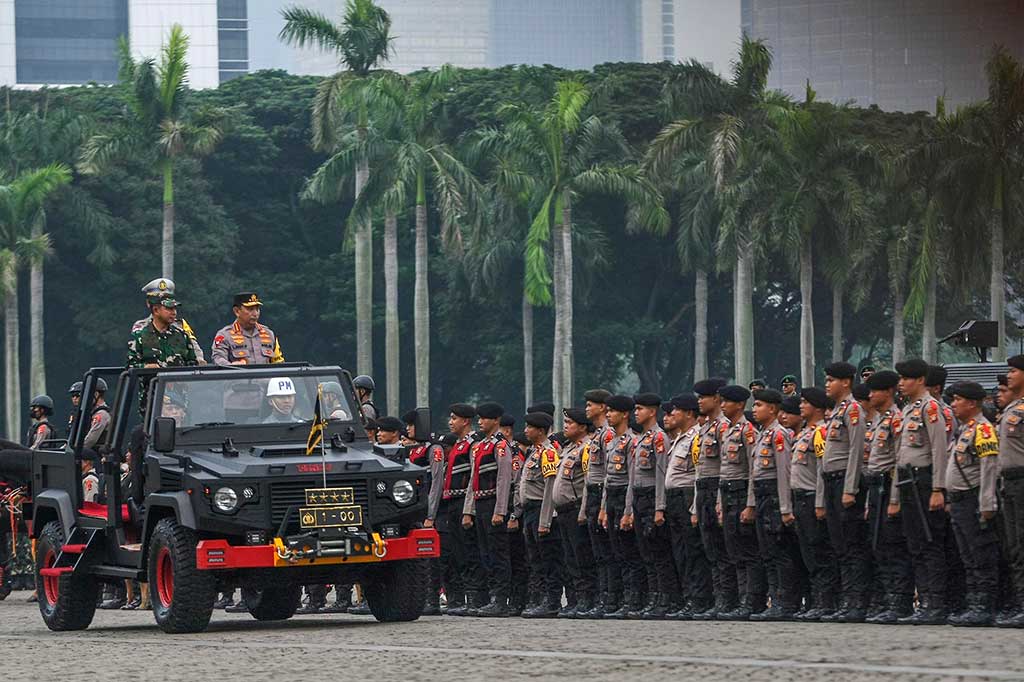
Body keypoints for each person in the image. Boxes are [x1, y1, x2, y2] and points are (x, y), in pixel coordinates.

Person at [892, 357, 950, 625]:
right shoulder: (908, 409)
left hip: (925, 481)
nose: (901, 383)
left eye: (906, 379)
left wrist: (938, 488)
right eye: (900, 379)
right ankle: (925, 601)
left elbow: (940, 449)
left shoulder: (931, 408)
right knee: (915, 544)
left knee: (930, 543)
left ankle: (937, 603)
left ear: (921, 381)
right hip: (907, 481)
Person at [862, 370, 915, 624]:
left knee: (893, 546)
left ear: (888, 392)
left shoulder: (896, 419)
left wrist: (895, 499)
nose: (870, 394)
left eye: (874, 390)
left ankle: (900, 602)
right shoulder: (880, 421)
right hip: (875, 488)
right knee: (878, 545)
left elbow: (898, 462)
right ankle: (888, 599)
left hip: (888, 486)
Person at [945, 381, 1000, 626]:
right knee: (967, 555)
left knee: (980, 555)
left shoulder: (984, 430)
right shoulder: (964, 429)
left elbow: (989, 469)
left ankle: (985, 606)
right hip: (958, 501)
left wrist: (987, 503)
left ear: (972, 403)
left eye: (958, 399)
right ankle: (974, 603)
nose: (954, 404)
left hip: (974, 500)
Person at [819, 361, 871, 623]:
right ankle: (847, 599)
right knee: (838, 544)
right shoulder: (838, 411)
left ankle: (857, 602)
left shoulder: (853, 411)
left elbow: (856, 452)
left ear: (846, 382)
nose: (827, 384)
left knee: (852, 545)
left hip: (844, 483)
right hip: (831, 481)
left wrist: (850, 489)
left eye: (831, 380)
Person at [748, 388, 801, 621]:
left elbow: (784, 473)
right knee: (767, 552)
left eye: (758, 405)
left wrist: (785, 507)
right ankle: (776, 600)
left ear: (772, 409)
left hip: (774, 497)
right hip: (761, 495)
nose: (754, 409)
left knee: (780, 552)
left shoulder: (779, 435)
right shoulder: (762, 434)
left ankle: (787, 602)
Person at [717, 384, 766, 620]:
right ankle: (739, 598)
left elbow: (752, 472)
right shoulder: (727, 431)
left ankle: (752, 600)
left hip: (740, 495)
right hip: (726, 494)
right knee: (733, 550)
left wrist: (750, 504)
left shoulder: (748, 432)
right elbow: (723, 470)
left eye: (726, 401)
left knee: (748, 552)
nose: (722, 405)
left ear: (739, 404)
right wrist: (719, 502)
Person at [789, 387, 839, 622]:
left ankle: (825, 601)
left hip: (811, 499)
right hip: (799, 498)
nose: (801, 406)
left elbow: (822, 470)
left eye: (805, 403)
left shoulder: (820, 433)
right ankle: (815, 600)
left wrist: (820, 502)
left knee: (819, 552)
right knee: (807, 553)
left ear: (818, 408)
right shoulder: (803, 434)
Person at [461, 402, 515, 617]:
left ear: (495, 420)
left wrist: (500, 510)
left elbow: (504, 480)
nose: (480, 422)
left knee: (498, 553)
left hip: (494, 503)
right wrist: (468, 510)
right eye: (479, 418)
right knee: (485, 553)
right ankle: (491, 596)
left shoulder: (500, 446)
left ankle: (501, 599)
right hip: (480, 504)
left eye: (484, 418)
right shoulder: (480, 446)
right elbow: (473, 481)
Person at [662, 393, 712, 619]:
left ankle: (699, 598)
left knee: (693, 551)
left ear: (689, 413)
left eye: (676, 410)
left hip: (687, 497)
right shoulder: (679, 439)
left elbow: (699, 472)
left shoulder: (697, 438)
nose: (671, 414)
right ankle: (687, 596)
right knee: (679, 551)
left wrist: (693, 508)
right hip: (674, 498)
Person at [543, 407, 596, 618]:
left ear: (582, 426)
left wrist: (583, 511)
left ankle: (587, 599)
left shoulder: (586, 448)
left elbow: (587, 482)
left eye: (569, 424)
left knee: (582, 556)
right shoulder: (567, 449)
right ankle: (575, 599)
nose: (565, 427)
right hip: (563, 510)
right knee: (570, 558)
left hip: (576, 508)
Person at [691, 378, 736, 621]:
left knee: (721, 547)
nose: (699, 401)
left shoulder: (722, 427)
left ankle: (727, 599)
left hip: (718, 489)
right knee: (709, 548)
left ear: (716, 399)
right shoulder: (706, 428)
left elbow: (726, 467)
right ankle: (719, 598)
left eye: (703, 397)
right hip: (703, 489)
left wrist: (719, 500)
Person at [432, 403, 484, 616]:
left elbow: (474, 477)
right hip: (452, 504)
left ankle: (476, 598)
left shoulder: (473, 443)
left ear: (465, 421)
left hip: (465, 501)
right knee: (457, 554)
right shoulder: (460, 444)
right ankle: (461, 598)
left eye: (454, 418)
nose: (450, 422)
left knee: (470, 553)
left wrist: (468, 510)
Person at [629, 392, 677, 619]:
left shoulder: (659, 438)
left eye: (640, 409)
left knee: (659, 552)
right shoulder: (641, 439)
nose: (636, 413)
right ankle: (653, 596)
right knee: (645, 552)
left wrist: (660, 507)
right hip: (638, 497)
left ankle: (666, 598)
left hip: (651, 498)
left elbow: (661, 474)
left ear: (652, 411)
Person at [599, 395, 643, 619]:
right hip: (612, 498)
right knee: (616, 552)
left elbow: (632, 479)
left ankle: (633, 599)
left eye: (612, 411)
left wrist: (628, 511)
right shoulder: (611, 442)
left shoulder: (631, 441)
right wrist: (604, 508)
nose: (608, 415)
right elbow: (608, 478)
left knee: (629, 552)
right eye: (607, 411)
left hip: (625, 497)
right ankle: (619, 598)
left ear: (625, 414)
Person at [515, 411, 562, 618]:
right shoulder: (535, 453)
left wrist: (545, 521)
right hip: (529, 511)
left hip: (542, 510)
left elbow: (550, 489)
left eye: (529, 427)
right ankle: (539, 598)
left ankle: (551, 601)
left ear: (540, 430)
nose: (525, 431)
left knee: (548, 559)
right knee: (535, 559)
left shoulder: (549, 453)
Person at [579, 389, 619, 618]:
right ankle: (604, 596)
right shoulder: (598, 435)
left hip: (604, 494)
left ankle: (611, 597)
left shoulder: (608, 435)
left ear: (603, 407)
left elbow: (607, 473)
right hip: (593, 494)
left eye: (591, 404)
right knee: (599, 552)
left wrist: (603, 505)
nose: (587, 408)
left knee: (607, 550)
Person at [996, 354, 1024, 627]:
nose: (1010, 375)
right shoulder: (1011, 409)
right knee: (1014, 547)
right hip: (1010, 483)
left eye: (1014, 370)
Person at [132, 278, 206, 364]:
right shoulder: (141, 327)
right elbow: (134, 359)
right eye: (168, 308)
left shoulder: (180, 327)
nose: (173, 312)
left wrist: (199, 361)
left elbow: (194, 349)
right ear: (150, 304)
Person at [126, 292, 199, 369]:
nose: (174, 312)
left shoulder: (182, 336)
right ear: (156, 310)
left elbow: (192, 365)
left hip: (178, 380)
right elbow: (130, 366)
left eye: (175, 308)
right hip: (151, 380)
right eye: (169, 308)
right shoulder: (140, 337)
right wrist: (145, 367)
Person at [211, 292, 284, 366]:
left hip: (266, 377)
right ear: (237, 311)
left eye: (257, 309)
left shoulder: (269, 334)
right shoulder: (225, 335)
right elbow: (218, 359)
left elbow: (279, 363)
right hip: (239, 377)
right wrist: (231, 366)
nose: (255, 313)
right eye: (250, 309)